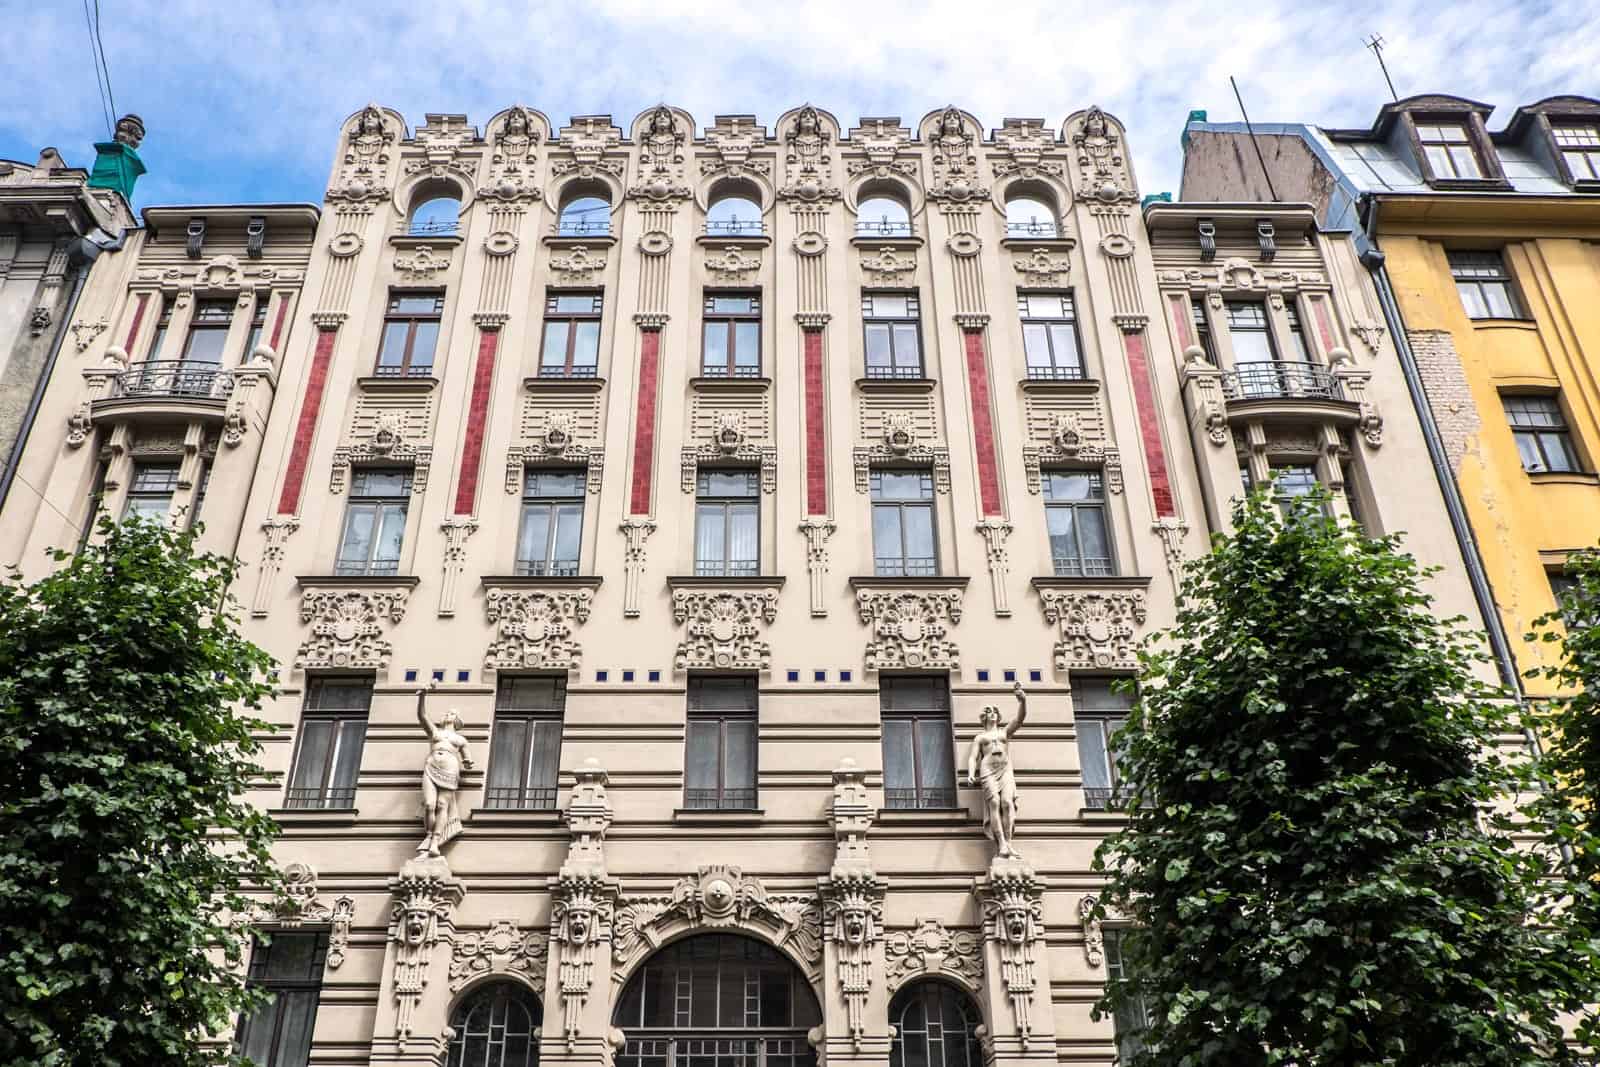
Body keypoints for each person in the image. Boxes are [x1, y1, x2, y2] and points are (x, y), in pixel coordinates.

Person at [966, 682, 1028, 858]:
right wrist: (971, 774)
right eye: (988, 712)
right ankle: (1001, 844)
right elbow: (973, 757)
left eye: (994, 712)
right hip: (987, 770)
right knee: (994, 803)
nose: (992, 714)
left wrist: (1022, 700)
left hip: (1005, 769)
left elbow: (1020, 720)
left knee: (1007, 803)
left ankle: (1008, 842)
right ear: (984, 717)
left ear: (998, 716)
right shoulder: (980, 737)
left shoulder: (1004, 732)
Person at [415, 685, 473, 856]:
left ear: (457, 720)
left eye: (452, 714)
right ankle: (429, 834)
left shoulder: (460, 739)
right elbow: (422, 716)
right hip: (431, 766)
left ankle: (435, 841)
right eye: (448, 713)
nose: (449, 714)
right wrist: (422, 697)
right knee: (429, 804)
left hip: (450, 769)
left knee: (442, 805)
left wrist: (468, 761)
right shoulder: (435, 732)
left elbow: (467, 757)